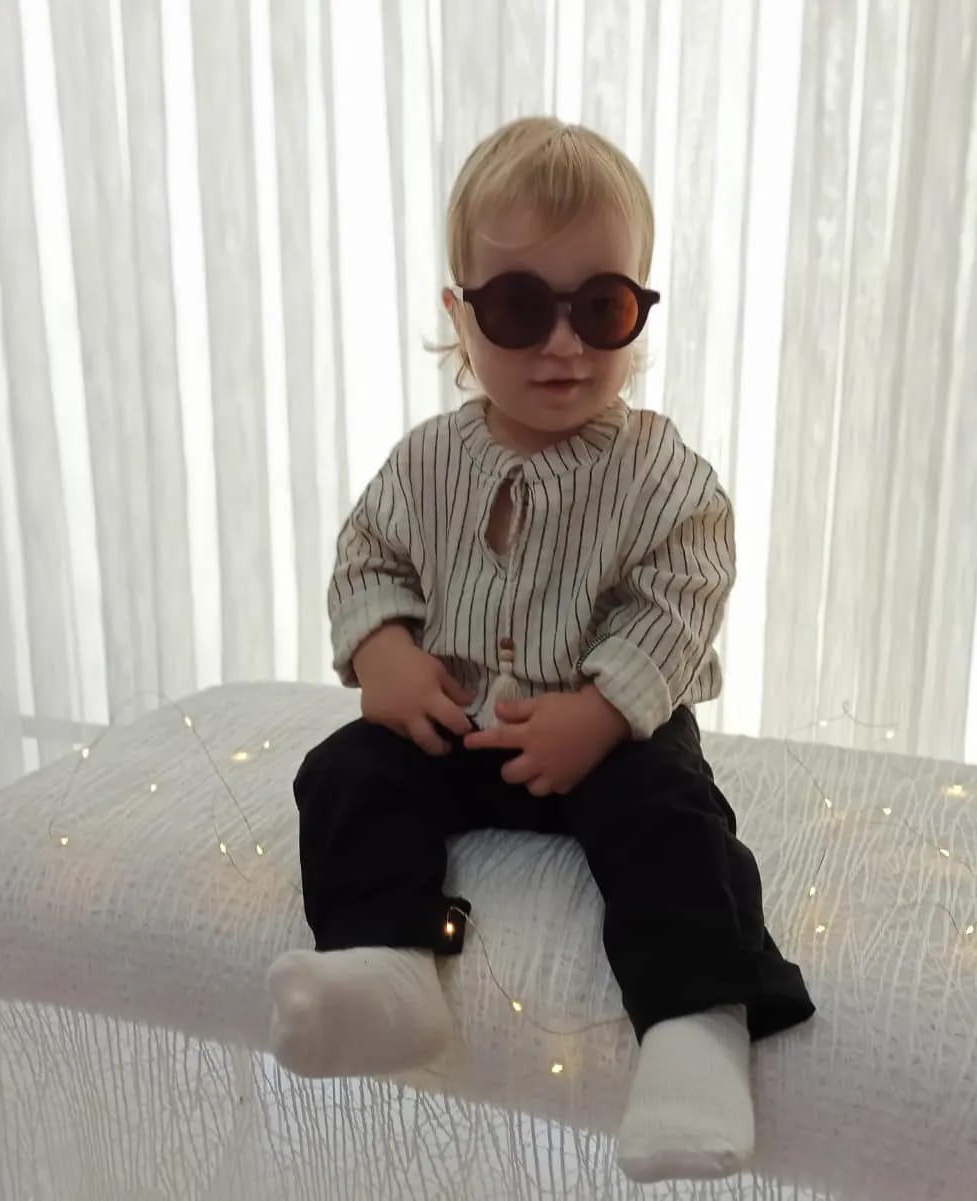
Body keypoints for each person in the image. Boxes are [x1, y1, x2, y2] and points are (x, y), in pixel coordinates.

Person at [266, 116, 815, 1183]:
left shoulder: (660, 474)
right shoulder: (425, 463)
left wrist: (601, 711)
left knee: (674, 817)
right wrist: (383, 651)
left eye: (599, 308)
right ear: (459, 317)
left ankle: (695, 1026)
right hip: (459, 723)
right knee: (345, 772)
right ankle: (387, 964)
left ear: (638, 310)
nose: (562, 344)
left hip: (609, 738)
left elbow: (682, 594)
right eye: (520, 309)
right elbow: (367, 556)